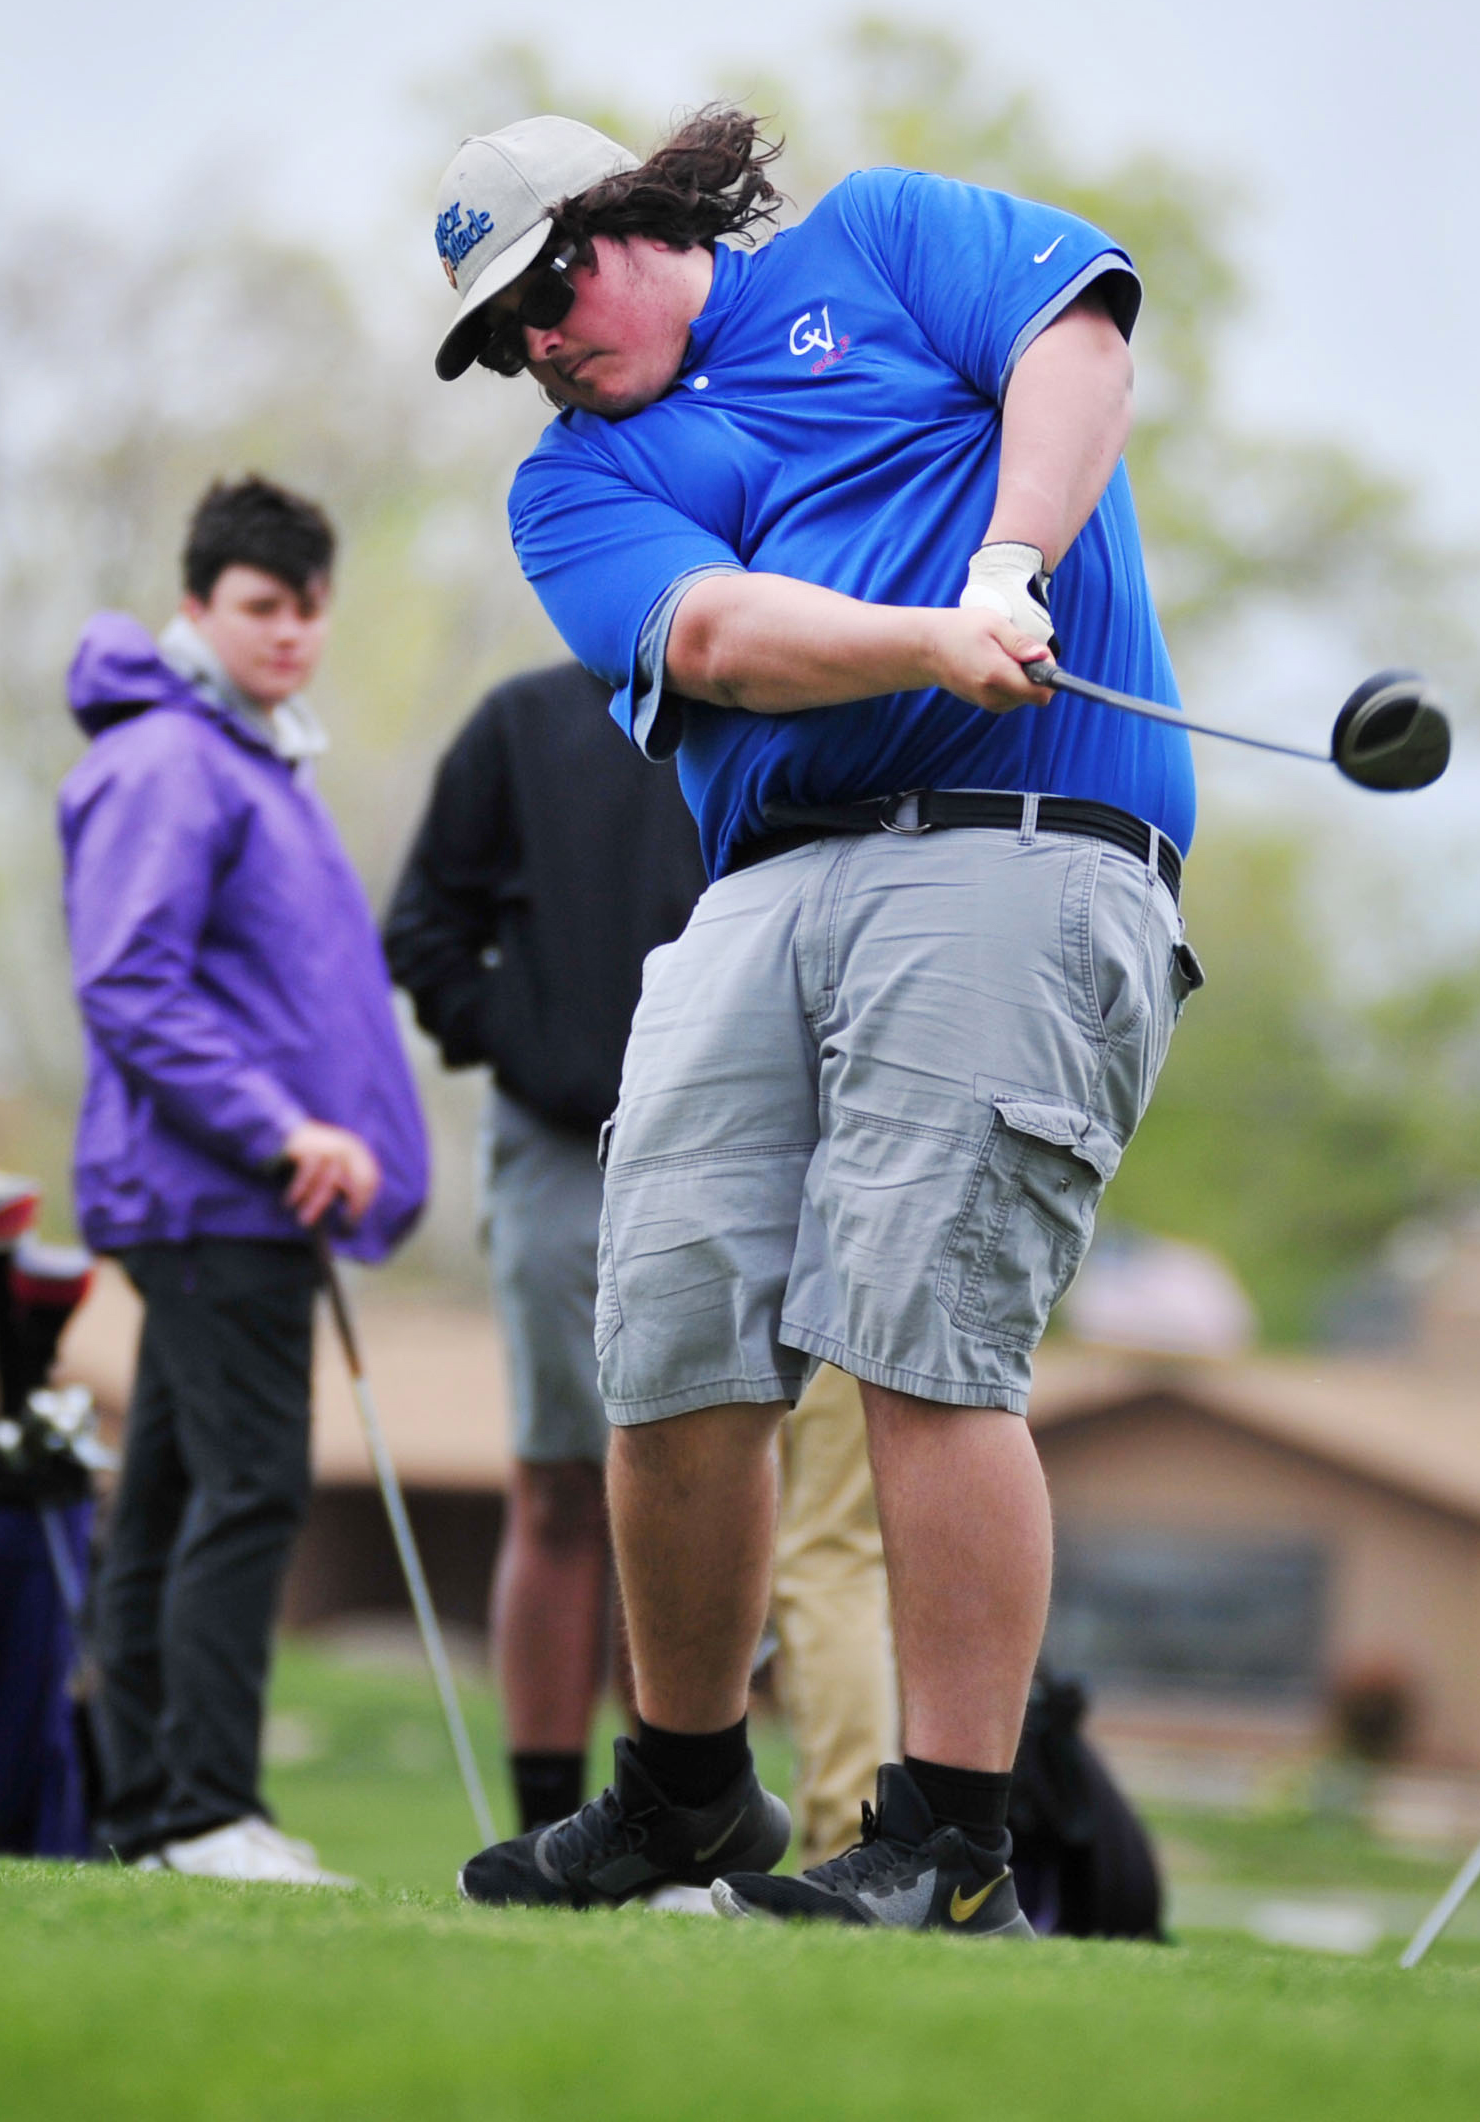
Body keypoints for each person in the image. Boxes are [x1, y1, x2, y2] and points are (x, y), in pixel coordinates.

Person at [426, 109, 1196, 1933]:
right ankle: (686, 1793)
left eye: (548, 284)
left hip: (1025, 842)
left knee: (920, 1332)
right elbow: (710, 639)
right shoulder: (570, 482)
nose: (539, 341)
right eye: (499, 336)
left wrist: (1005, 565)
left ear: (629, 215)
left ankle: (945, 1839)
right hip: (768, 878)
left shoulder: (886, 240)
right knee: (670, 1328)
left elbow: (1077, 346)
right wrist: (922, 636)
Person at [383, 661, 903, 1855]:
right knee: (561, 1485)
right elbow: (423, 932)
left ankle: (667, 1817)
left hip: (745, 1136)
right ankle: (546, 1823)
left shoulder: (783, 708)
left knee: (689, 1467)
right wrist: (540, 1046)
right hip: (561, 1146)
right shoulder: (518, 720)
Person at [59, 473, 429, 1885]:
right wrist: (284, 1131)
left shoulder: (254, 762)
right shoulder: (171, 762)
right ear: (197, 607)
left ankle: (150, 1815)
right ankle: (203, 1812)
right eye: (261, 608)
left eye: (310, 608)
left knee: (164, 1499)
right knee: (253, 1489)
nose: (290, 633)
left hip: (242, 1198)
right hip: (217, 1191)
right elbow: (130, 986)